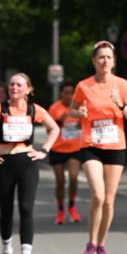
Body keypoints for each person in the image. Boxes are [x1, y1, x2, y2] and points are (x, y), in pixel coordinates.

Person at [0, 72, 59, 254]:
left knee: (26, 208)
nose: (14, 88)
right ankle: (6, 252)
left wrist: (44, 150)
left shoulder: (34, 109)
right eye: (12, 84)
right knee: (6, 211)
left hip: (27, 163)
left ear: (28, 89)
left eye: (19, 85)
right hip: (3, 163)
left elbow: (54, 129)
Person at [70, 42, 127, 254]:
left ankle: (101, 245)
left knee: (108, 200)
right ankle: (90, 244)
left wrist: (120, 105)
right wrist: (79, 113)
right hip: (91, 145)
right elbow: (72, 109)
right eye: (101, 57)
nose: (105, 61)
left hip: (115, 147)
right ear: (94, 61)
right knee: (98, 195)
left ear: (114, 61)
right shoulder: (84, 86)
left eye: (108, 57)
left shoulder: (122, 85)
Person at [48, 81, 82, 224]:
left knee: (73, 178)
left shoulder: (79, 107)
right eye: (66, 93)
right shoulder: (54, 108)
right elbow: (49, 128)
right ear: (61, 94)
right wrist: (61, 119)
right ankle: (60, 210)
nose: (69, 96)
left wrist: (80, 122)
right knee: (60, 181)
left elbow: (85, 124)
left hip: (75, 148)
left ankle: (72, 207)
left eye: (71, 93)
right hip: (57, 148)